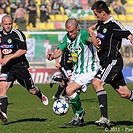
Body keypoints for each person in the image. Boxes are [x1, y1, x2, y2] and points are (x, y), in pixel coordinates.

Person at [88, 1, 133, 127]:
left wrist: (130, 37)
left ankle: (104, 117)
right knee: (125, 93)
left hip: (113, 61)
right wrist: (94, 40)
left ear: (103, 13)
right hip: (105, 62)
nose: (95, 17)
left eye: (96, 14)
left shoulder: (114, 24)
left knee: (97, 82)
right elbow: (94, 34)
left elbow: (127, 33)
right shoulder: (101, 24)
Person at [47, 18, 97, 126]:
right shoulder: (67, 38)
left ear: (77, 28)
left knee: (69, 90)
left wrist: (95, 40)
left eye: (72, 32)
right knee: (71, 94)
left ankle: (79, 112)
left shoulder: (83, 35)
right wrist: (52, 56)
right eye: (68, 32)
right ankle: (78, 118)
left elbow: (91, 40)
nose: (70, 34)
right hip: (77, 71)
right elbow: (60, 50)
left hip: (88, 71)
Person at [0, 15, 48, 124]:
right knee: (2, 88)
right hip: (7, 68)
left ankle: (40, 94)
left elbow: (23, 50)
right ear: (2, 24)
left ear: (12, 23)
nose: (8, 26)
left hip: (20, 67)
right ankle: (4, 114)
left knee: (32, 90)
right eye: (6, 24)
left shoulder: (18, 34)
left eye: (10, 24)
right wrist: (1, 60)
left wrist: (9, 58)